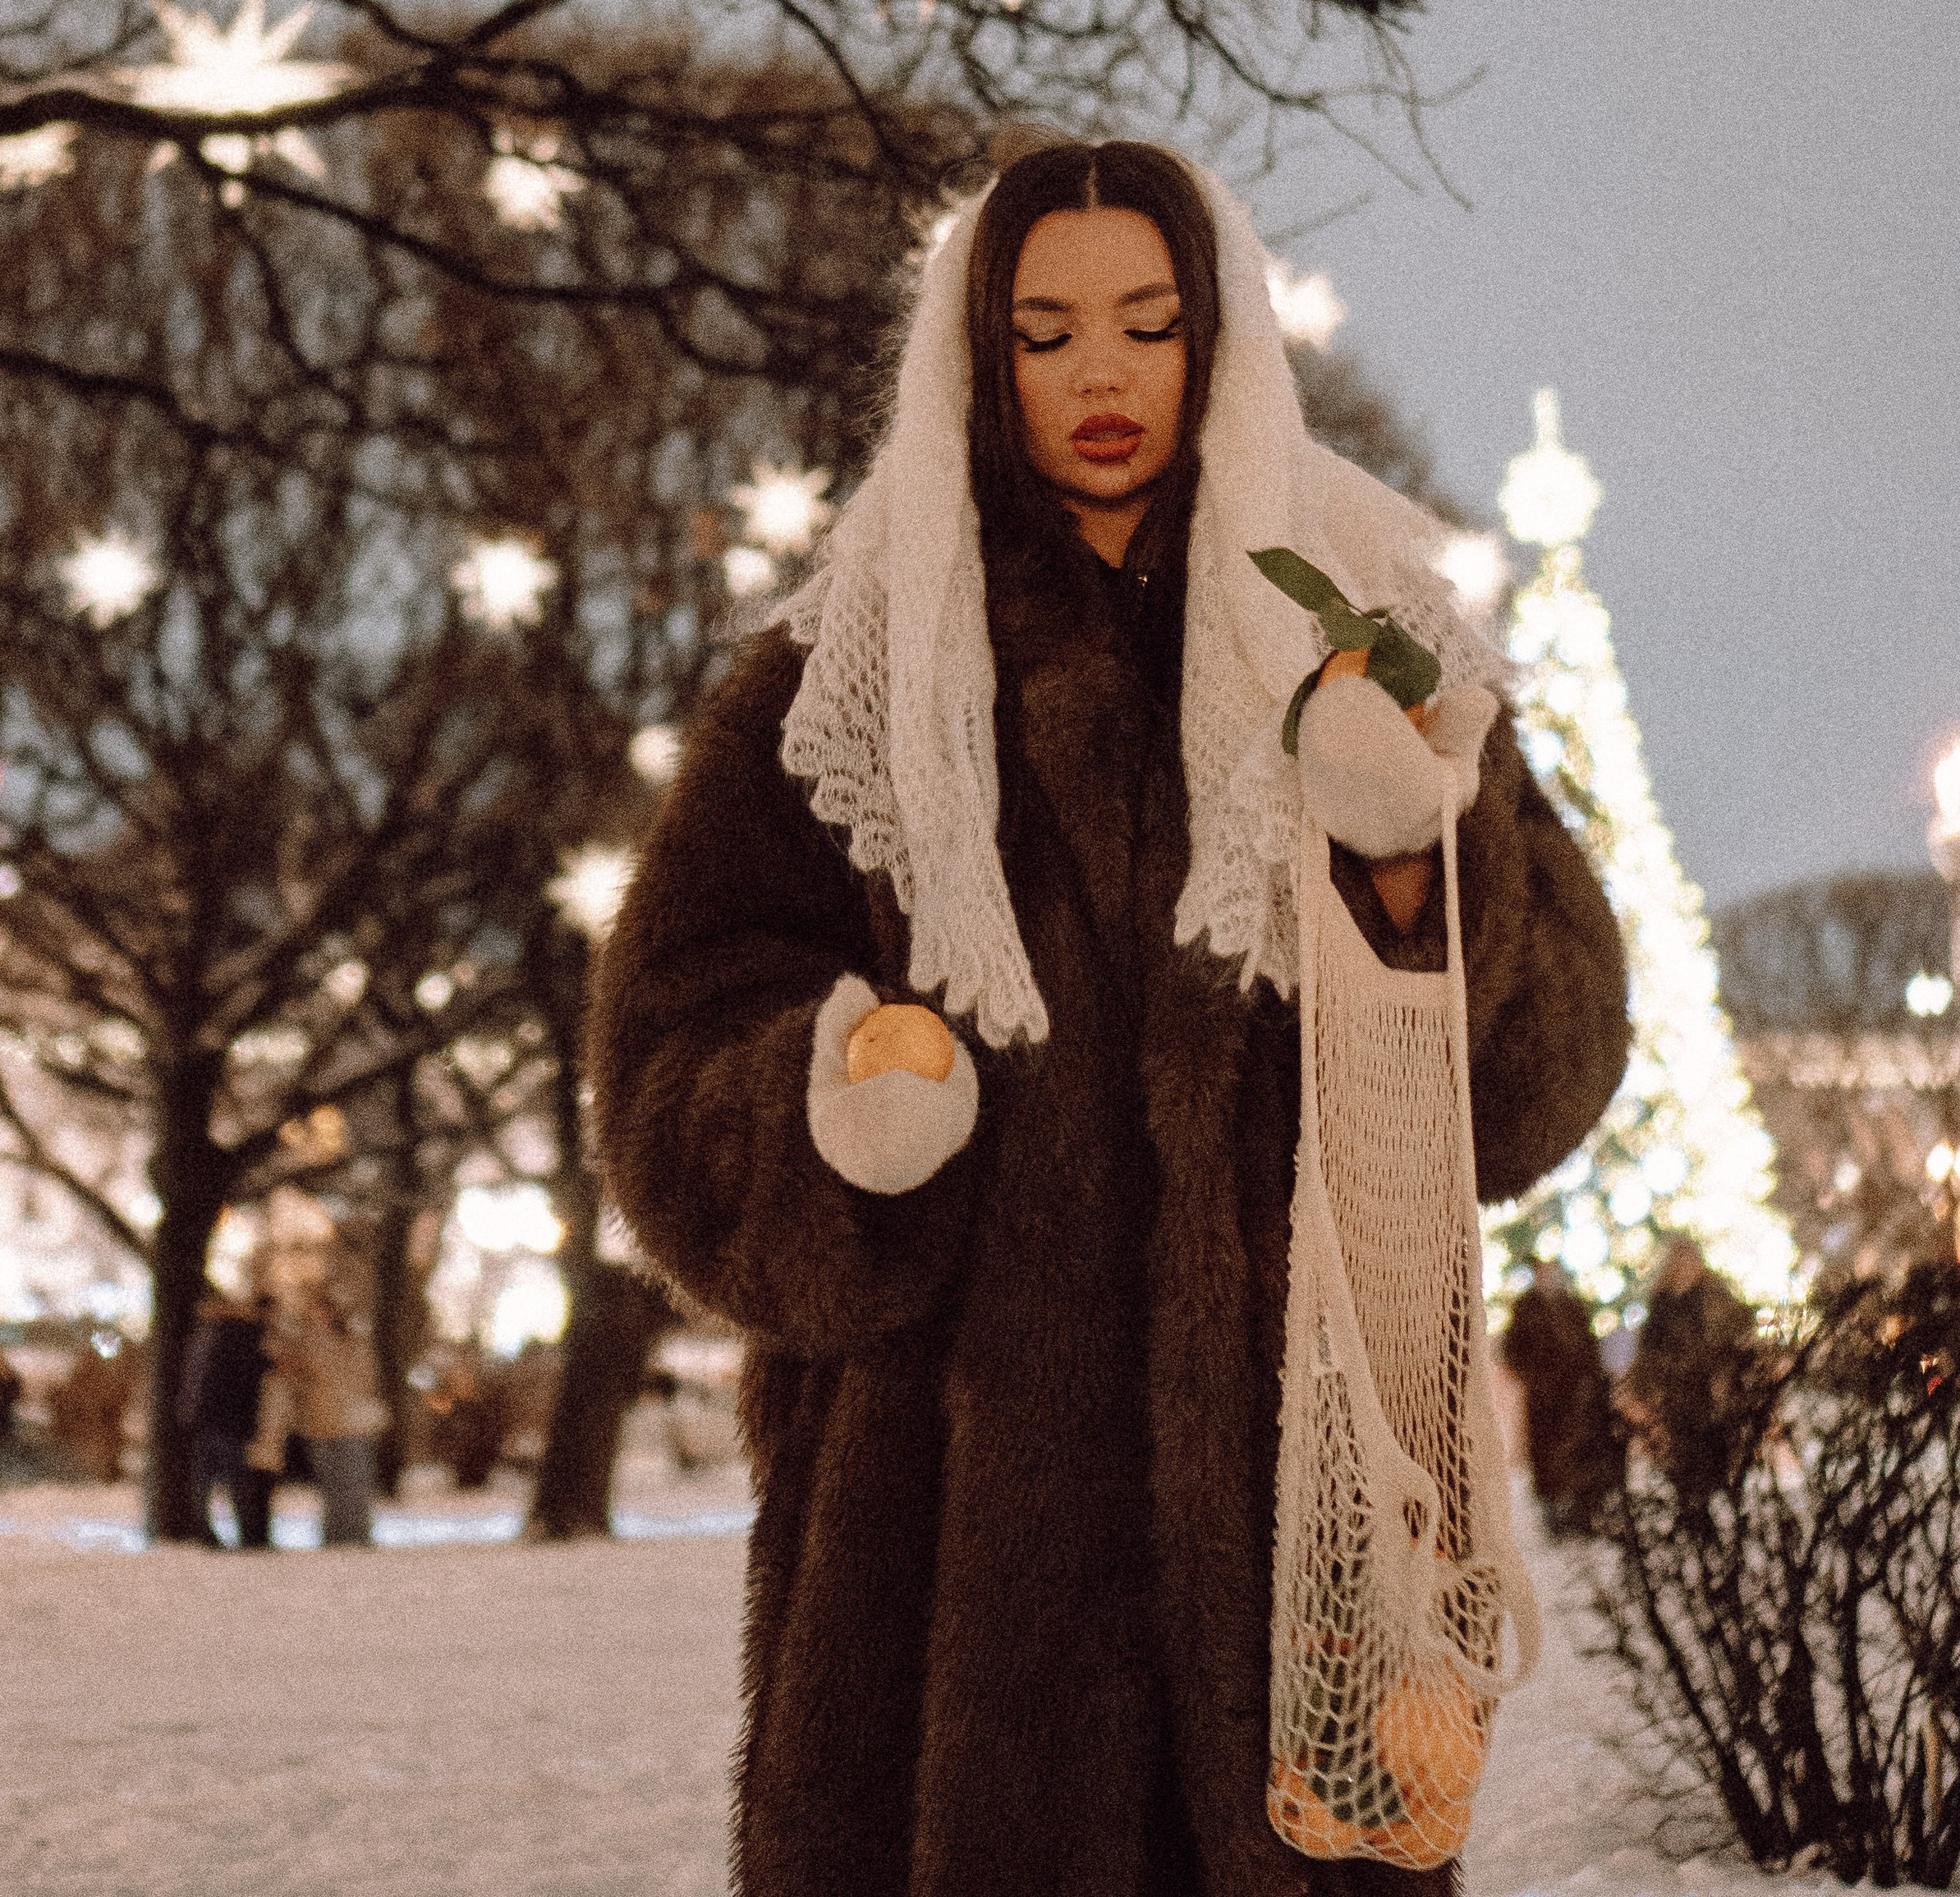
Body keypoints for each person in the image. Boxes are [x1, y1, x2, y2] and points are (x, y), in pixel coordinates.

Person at [594, 140, 1631, 1896]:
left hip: (1305, 1526)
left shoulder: (1368, 651)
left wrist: (1415, 873)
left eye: (1149, 325)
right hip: (939, 1576)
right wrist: (832, 1104)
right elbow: (667, 1057)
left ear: (1213, 340)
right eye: (1046, 331)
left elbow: (1543, 1073)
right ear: (978, 355)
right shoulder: (842, 678)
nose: (1101, 375)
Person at [1500, 1259, 1625, 1538]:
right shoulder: (1527, 1308)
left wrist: (1591, 1383)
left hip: (1574, 1395)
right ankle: (1553, 1515)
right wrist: (1533, 1376)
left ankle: (1580, 1514)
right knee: (1545, 1456)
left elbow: (1588, 1348)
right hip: (1543, 1398)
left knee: (1577, 1453)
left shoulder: (1572, 1306)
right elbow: (1513, 1349)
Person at [1627, 1238, 1757, 1501]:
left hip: (1711, 1388)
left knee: (1715, 1446)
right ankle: (1695, 1499)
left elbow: (1738, 1326)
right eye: (1681, 1259)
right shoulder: (1663, 1302)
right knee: (1685, 1451)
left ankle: (1721, 1494)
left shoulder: (1713, 1293)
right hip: (1677, 1392)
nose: (1686, 1265)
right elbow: (1650, 1349)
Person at [275, 1288, 383, 1546]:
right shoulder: (305, 1341)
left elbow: (364, 1376)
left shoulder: (353, 1340)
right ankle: (336, 1536)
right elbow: (289, 1369)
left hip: (352, 1422)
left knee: (355, 1483)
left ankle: (357, 1535)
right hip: (320, 1422)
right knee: (331, 1485)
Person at [180, 1288, 276, 1548]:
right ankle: (244, 1534)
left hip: (209, 1419)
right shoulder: (248, 1337)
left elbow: (195, 1382)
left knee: (207, 1480)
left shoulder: (209, 1337)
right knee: (236, 1479)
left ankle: (209, 1532)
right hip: (231, 1421)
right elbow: (252, 1380)